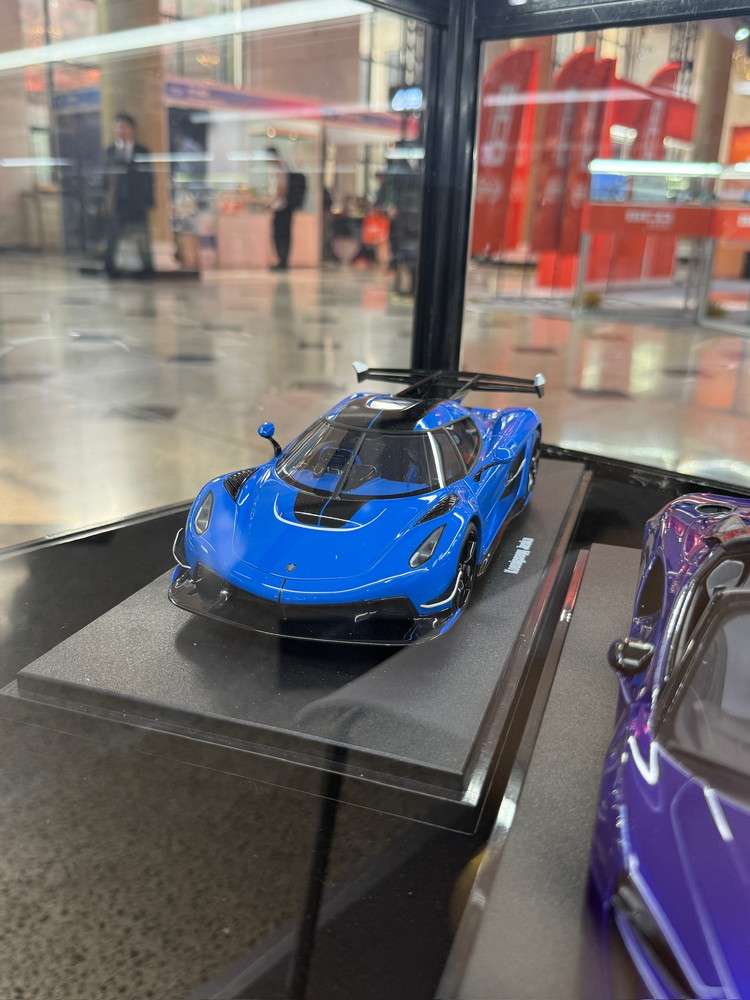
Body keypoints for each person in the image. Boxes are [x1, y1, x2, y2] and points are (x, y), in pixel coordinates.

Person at [103, 112, 155, 277]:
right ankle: (111, 268)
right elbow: (106, 179)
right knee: (113, 235)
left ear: (132, 129)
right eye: (117, 127)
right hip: (117, 200)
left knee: (141, 235)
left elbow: (149, 178)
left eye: (124, 127)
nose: (121, 130)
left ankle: (147, 269)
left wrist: (149, 200)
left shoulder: (142, 151)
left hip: (137, 201)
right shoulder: (110, 151)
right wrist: (105, 200)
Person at [265, 146, 297, 271]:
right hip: (284, 206)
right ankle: (282, 259)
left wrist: (272, 201)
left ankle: (282, 260)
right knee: (284, 234)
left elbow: (281, 187)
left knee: (280, 234)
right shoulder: (284, 167)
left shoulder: (280, 168)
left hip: (282, 207)